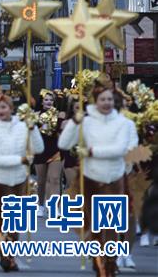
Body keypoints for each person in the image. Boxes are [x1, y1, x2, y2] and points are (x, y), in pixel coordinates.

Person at [58, 77, 138, 277]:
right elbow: (64, 144)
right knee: (95, 224)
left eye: (109, 99)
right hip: (90, 178)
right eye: (102, 99)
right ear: (95, 101)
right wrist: (74, 123)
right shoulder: (86, 122)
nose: (106, 103)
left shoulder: (124, 123)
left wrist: (92, 151)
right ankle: (98, 258)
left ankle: (110, 261)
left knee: (111, 223)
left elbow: (121, 149)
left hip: (114, 178)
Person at [0, 90, 44, 272]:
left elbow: (38, 148)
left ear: (11, 108)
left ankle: (11, 256)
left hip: (19, 179)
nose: (1, 111)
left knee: (15, 220)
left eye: (4, 107)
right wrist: (20, 160)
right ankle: (4, 256)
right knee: (1, 219)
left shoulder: (22, 126)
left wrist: (33, 129)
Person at [33, 90, 62, 218]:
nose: (49, 102)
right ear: (42, 101)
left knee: (54, 179)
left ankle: (54, 207)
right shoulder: (35, 115)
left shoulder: (59, 115)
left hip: (55, 150)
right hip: (40, 150)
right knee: (41, 180)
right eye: (46, 100)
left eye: (51, 100)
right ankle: (40, 205)